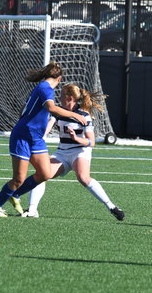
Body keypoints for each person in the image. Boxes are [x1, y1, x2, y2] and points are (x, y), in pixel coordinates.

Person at [0, 61, 87, 217]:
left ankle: (15, 194)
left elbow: (23, 109)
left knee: (45, 173)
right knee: (18, 179)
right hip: (23, 137)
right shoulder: (45, 88)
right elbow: (51, 108)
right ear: (59, 79)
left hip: (36, 138)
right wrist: (74, 114)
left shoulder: (41, 88)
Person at [16, 83, 124, 220]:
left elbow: (91, 142)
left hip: (80, 151)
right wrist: (38, 138)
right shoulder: (58, 112)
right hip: (62, 153)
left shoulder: (84, 115)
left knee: (83, 178)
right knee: (43, 174)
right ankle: (32, 210)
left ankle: (112, 207)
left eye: (61, 95)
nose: (59, 98)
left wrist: (76, 138)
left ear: (70, 98)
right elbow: (47, 128)